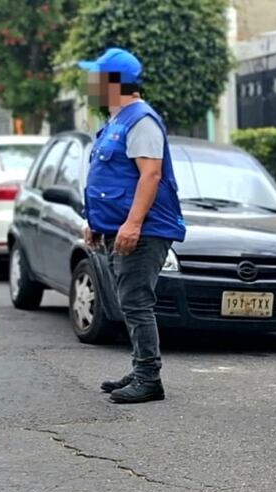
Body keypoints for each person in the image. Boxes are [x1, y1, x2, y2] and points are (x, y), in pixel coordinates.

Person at [79, 47, 185, 404]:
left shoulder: (141, 120)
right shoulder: (115, 121)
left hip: (145, 228)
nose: (89, 85)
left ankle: (148, 377)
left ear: (114, 83)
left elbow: (150, 174)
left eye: (96, 78)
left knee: (136, 301)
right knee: (129, 301)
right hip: (118, 227)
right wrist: (94, 222)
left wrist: (133, 224)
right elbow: (108, 178)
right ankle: (140, 365)